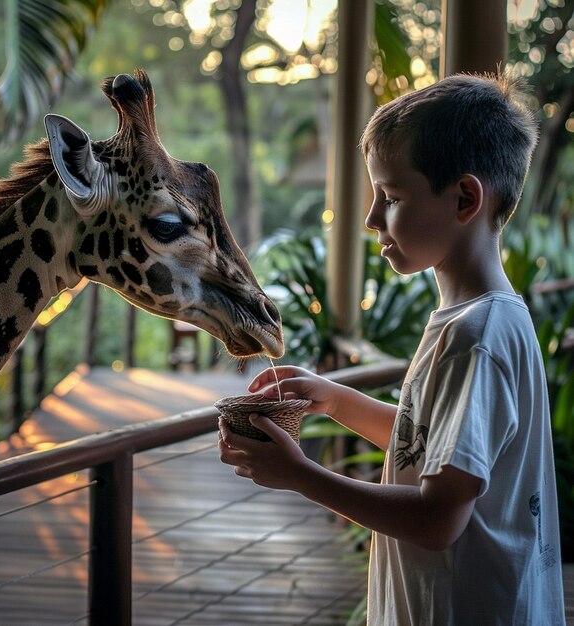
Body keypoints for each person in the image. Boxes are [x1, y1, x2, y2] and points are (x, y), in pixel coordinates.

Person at [218, 72, 567, 625]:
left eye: (392, 196)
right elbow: (434, 451)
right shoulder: (488, 318)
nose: (372, 218)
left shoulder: (474, 337)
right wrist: (335, 400)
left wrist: (301, 474)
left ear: (465, 198)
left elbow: (437, 520)